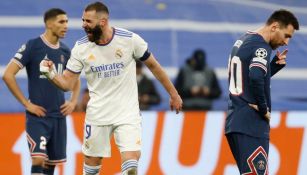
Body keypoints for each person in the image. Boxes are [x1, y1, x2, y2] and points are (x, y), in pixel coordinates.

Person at [39, 2, 182, 175]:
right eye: (83, 20)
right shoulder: (81, 48)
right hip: (98, 114)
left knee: (131, 167)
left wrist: (174, 94)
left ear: (103, 22)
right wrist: (51, 74)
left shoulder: (129, 39)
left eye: (88, 21)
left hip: (127, 113)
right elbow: (67, 84)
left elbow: (154, 66)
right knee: (92, 166)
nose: (84, 25)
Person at [2, 8, 80, 175]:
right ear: (49, 24)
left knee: (51, 165)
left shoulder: (66, 51)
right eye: (61, 22)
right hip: (38, 117)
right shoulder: (33, 46)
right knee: (38, 159)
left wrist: (73, 101)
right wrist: (26, 103)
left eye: (67, 21)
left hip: (58, 117)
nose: (66, 25)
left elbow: (76, 79)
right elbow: (8, 75)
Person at [225, 9, 299, 174]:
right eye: (286, 35)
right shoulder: (261, 47)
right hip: (250, 123)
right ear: (274, 27)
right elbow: (256, 77)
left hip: (237, 120)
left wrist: (272, 67)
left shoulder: (244, 40)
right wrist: (264, 108)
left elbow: (247, 76)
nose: (286, 42)